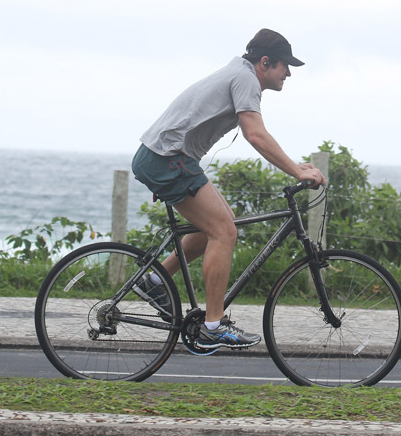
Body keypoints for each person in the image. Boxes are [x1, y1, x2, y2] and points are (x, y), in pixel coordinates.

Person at [131, 28, 326, 350]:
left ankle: (155, 280)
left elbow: (255, 134)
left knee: (221, 224)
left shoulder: (239, 74)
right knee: (224, 231)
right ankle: (213, 325)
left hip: (165, 157)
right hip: (166, 158)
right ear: (265, 62)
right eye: (284, 65)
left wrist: (295, 166)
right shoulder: (246, 78)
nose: (289, 73)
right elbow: (256, 135)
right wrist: (295, 170)